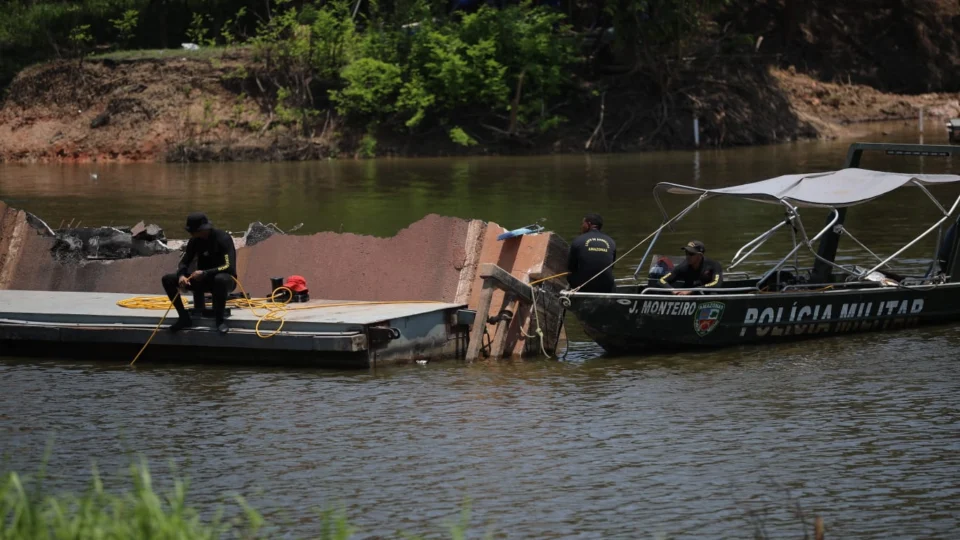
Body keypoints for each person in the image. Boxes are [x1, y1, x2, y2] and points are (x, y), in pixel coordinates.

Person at [161, 212, 237, 334]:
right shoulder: (194, 241)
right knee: (167, 279)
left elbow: (229, 266)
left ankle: (219, 320)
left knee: (220, 279)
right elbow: (184, 262)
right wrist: (181, 275)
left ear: (203, 229)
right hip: (201, 280)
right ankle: (184, 318)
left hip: (225, 280)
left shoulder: (223, 238)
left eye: (193, 231)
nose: (191, 234)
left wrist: (205, 273)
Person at [567, 213, 616, 293]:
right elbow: (611, 266)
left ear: (588, 224)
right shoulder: (611, 241)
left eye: (583, 223)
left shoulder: (578, 240)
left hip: (584, 285)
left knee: (570, 276)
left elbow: (571, 267)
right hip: (606, 285)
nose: (582, 226)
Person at [657, 240, 723, 295]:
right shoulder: (682, 267)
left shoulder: (714, 265)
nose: (688, 256)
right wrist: (673, 290)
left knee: (713, 294)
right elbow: (661, 281)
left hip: (706, 295)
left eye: (691, 254)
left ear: (700, 255)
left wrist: (692, 290)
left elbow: (717, 284)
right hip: (687, 297)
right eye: (686, 253)